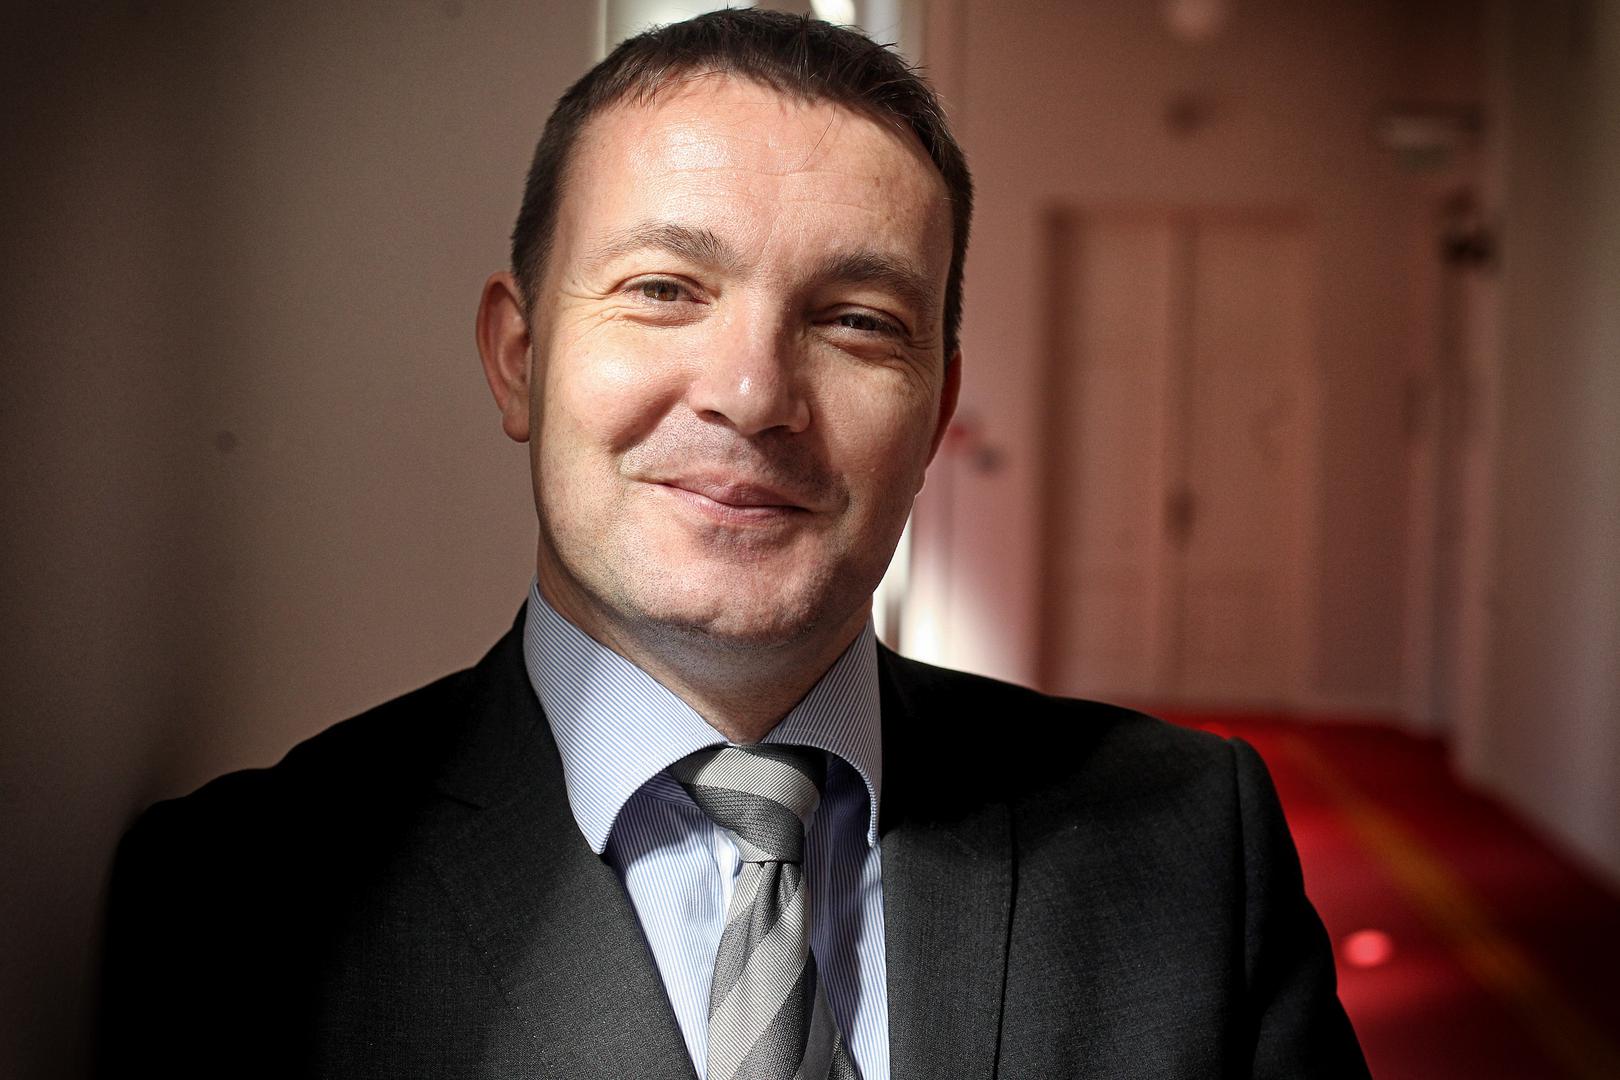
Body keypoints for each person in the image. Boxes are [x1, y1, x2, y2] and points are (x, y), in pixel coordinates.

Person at [98, 10, 1369, 1079]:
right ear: (519, 360)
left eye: (857, 320)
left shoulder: (1194, 846)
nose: (754, 395)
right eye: (664, 290)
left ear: (936, 411)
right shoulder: (242, 901)